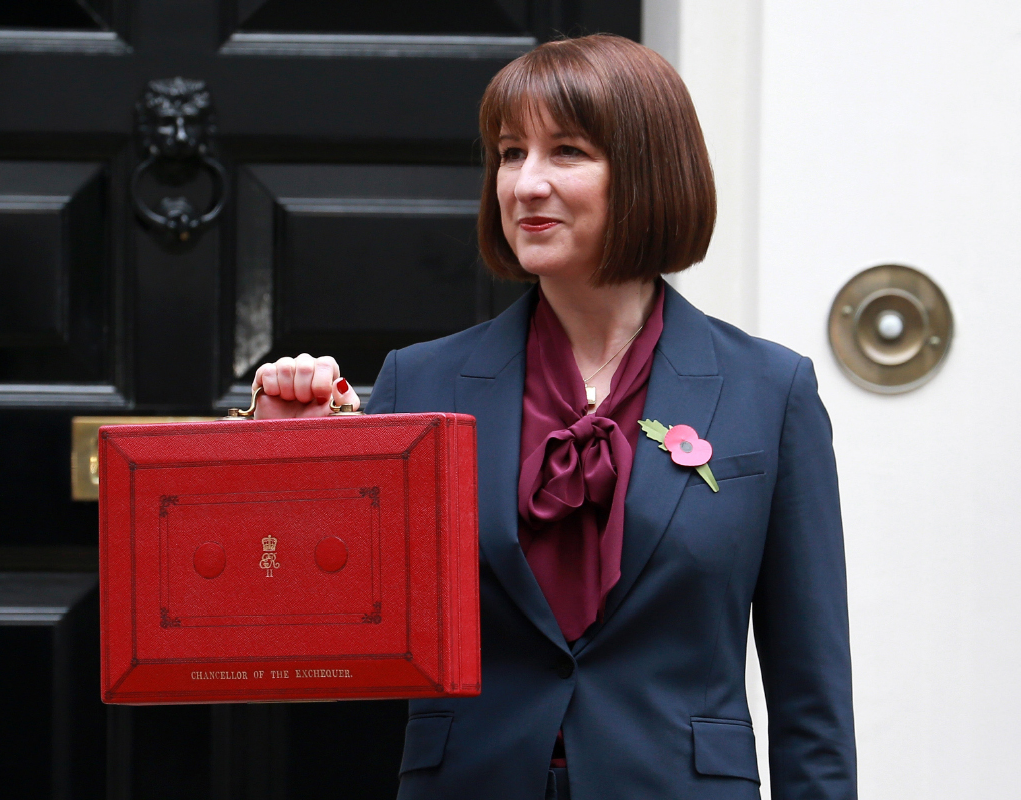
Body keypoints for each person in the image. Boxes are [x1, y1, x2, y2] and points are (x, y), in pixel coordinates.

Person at [253, 34, 856, 800]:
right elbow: (313, 628)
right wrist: (287, 453)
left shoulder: (770, 391)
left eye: (565, 151)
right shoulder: (422, 379)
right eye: (510, 154)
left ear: (646, 171)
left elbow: (813, 697)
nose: (525, 184)